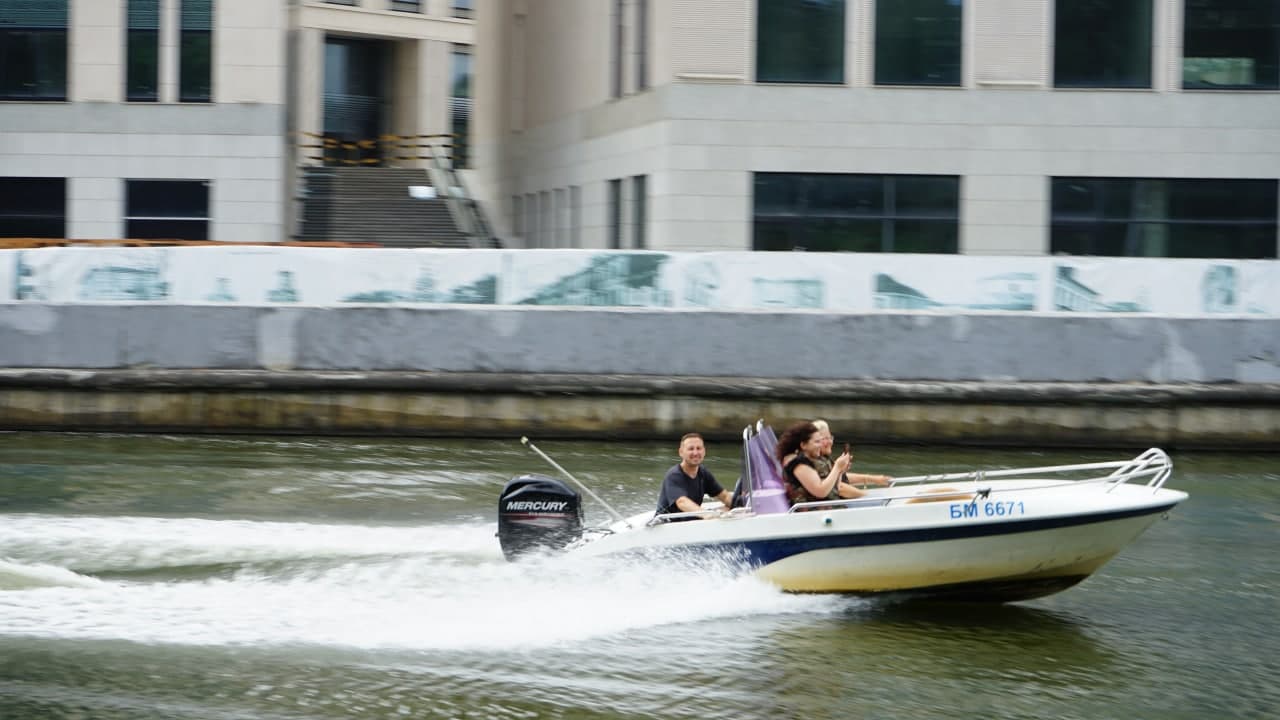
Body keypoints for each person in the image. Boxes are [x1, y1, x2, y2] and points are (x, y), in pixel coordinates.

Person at [655, 433, 733, 519]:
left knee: (728, 509)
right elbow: (682, 502)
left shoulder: (703, 473)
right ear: (681, 452)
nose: (695, 453)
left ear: (704, 451)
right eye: (691, 449)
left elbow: (724, 496)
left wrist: (738, 505)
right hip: (668, 525)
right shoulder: (674, 475)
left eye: (699, 448)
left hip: (691, 522)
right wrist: (706, 515)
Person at [811, 419, 893, 490]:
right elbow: (838, 488)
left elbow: (838, 480)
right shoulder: (813, 462)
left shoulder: (824, 458)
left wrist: (874, 479)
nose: (830, 442)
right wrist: (838, 468)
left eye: (830, 437)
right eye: (825, 438)